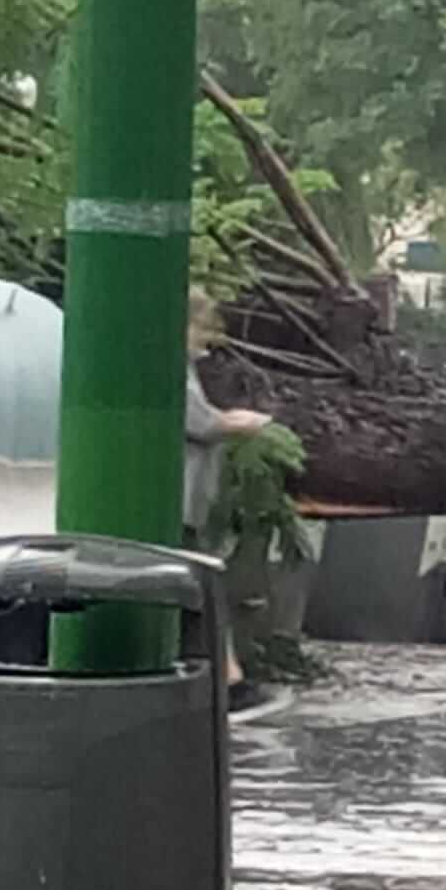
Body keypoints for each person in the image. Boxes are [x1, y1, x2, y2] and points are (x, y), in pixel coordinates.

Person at [184, 288, 273, 709]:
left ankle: (224, 674)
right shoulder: (172, 368)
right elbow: (199, 423)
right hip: (184, 498)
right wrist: (241, 424)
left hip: (192, 498)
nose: (207, 338)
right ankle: (227, 678)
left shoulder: (185, 367)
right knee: (203, 585)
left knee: (201, 585)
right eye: (202, 327)